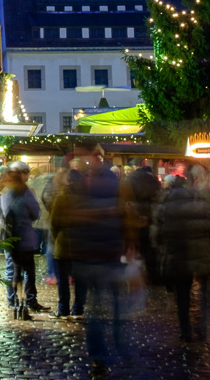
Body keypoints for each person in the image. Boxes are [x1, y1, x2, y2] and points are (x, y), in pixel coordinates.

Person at [70, 152, 125, 377]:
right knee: (112, 305)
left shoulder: (84, 199)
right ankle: (114, 349)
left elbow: (74, 227)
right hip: (107, 258)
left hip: (91, 259)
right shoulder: (114, 203)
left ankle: (99, 356)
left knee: (95, 307)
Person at [153, 171, 210, 342]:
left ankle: (185, 329)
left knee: (182, 293)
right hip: (198, 251)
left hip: (176, 252)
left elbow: (157, 233)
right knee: (203, 292)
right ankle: (202, 327)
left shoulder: (164, 204)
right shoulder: (199, 202)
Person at [0, 160, 45, 314]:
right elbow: (36, 212)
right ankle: (29, 300)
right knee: (28, 270)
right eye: (26, 173)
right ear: (21, 174)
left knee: (12, 268)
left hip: (7, 235)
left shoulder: (1, 188)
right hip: (23, 236)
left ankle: (13, 300)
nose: (27, 177)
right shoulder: (25, 191)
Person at [49, 165, 87, 317]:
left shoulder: (61, 199)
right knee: (81, 280)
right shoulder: (86, 200)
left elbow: (54, 224)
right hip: (82, 245)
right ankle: (78, 308)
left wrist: (56, 239)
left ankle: (63, 308)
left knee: (63, 280)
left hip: (63, 245)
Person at [125, 164, 162, 284]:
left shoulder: (130, 179)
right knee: (151, 248)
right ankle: (154, 276)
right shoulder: (154, 180)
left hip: (135, 215)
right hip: (150, 215)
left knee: (137, 246)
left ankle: (137, 275)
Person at [30, 163, 56, 283]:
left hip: (42, 218)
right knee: (49, 246)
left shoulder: (34, 183)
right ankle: (53, 273)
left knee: (49, 247)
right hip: (50, 219)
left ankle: (52, 274)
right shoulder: (52, 184)